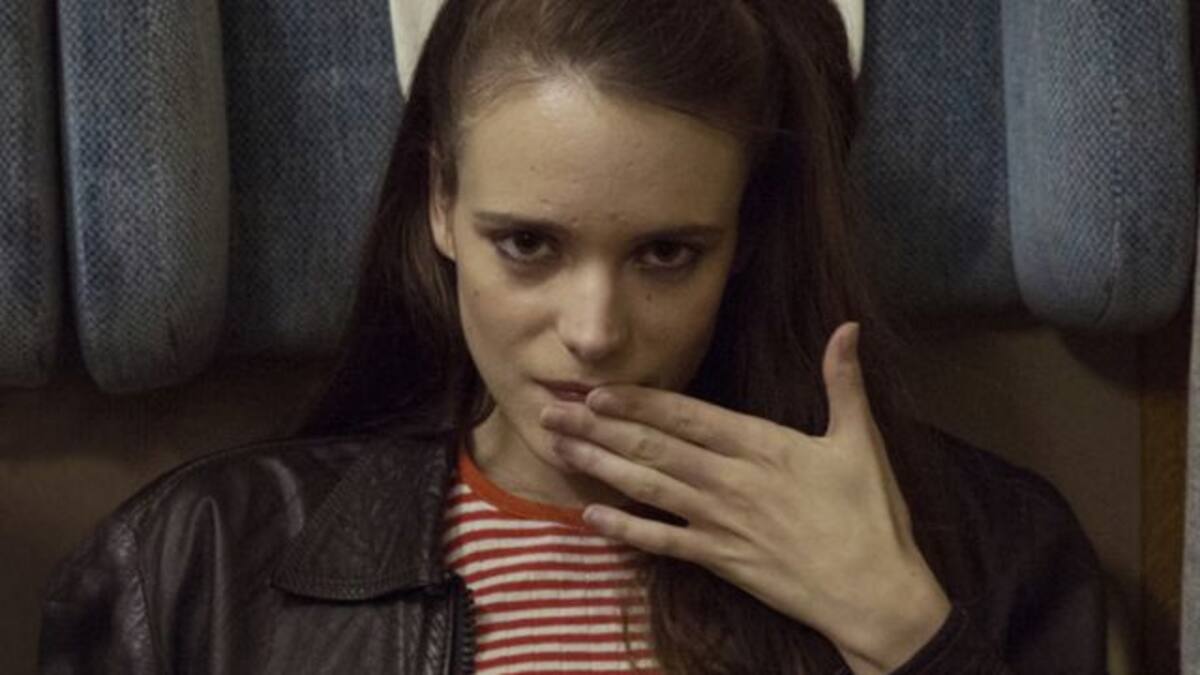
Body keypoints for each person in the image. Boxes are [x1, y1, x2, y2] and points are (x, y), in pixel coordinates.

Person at [38, 0, 1106, 673]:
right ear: (441, 205)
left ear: (743, 238)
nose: (594, 334)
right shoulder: (194, 562)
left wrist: (905, 633)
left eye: (666, 254)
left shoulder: (988, 549)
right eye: (528, 245)